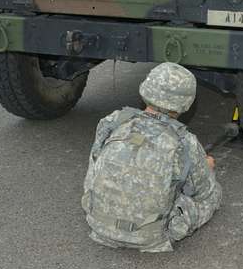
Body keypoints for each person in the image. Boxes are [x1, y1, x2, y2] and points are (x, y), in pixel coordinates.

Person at [81, 63, 222, 253]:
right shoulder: (185, 142)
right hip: (150, 237)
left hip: (98, 224)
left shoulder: (113, 121)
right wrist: (206, 167)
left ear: (145, 89)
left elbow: (95, 165)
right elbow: (203, 192)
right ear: (186, 103)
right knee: (213, 195)